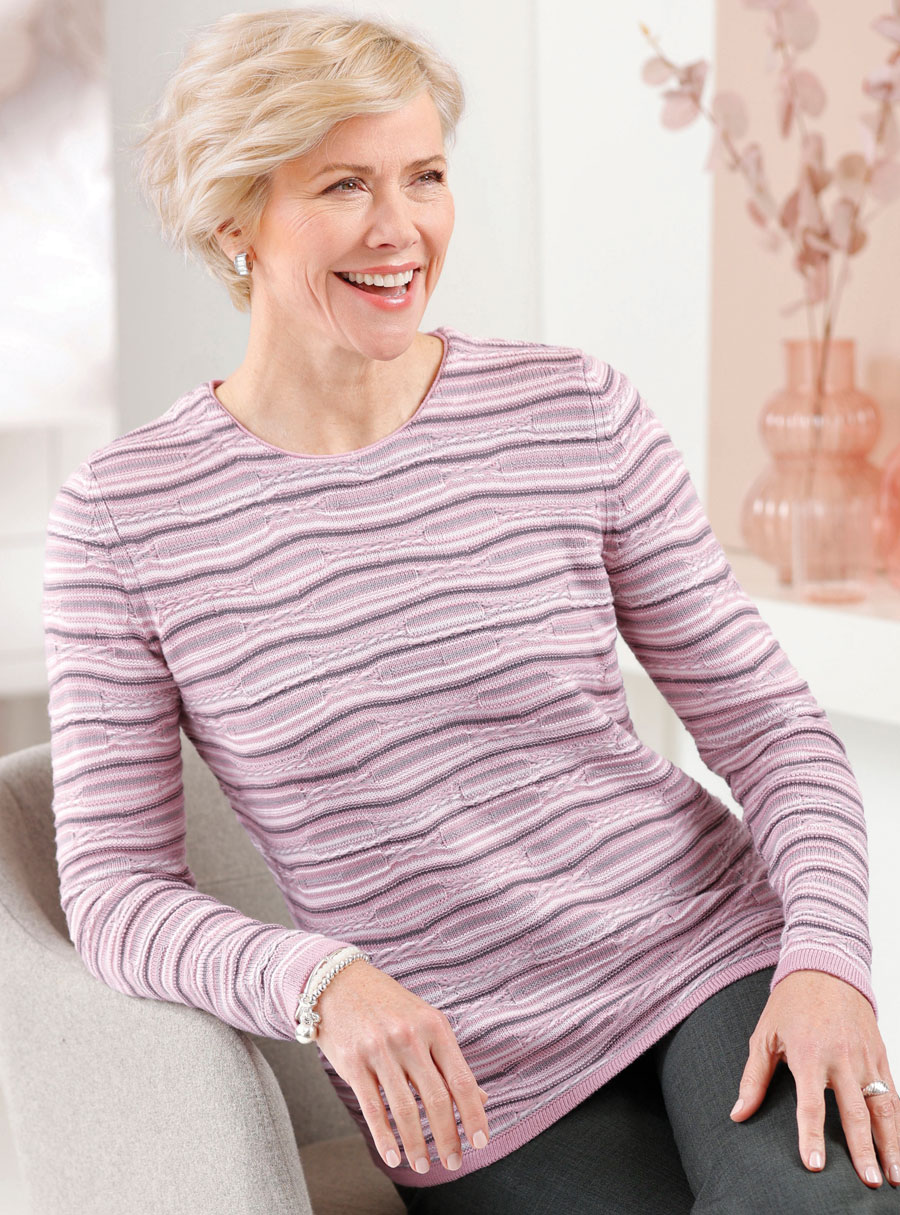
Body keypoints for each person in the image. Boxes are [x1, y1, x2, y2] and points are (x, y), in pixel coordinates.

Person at [41, 7, 900, 1213]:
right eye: (345, 185)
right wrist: (320, 983)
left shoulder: (573, 410)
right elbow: (116, 893)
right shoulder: (127, 520)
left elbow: (772, 730)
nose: (401, 229)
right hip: (468, 1075)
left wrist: (828, 961)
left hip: (709, 957)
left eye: (426, 176)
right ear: (233, 216)